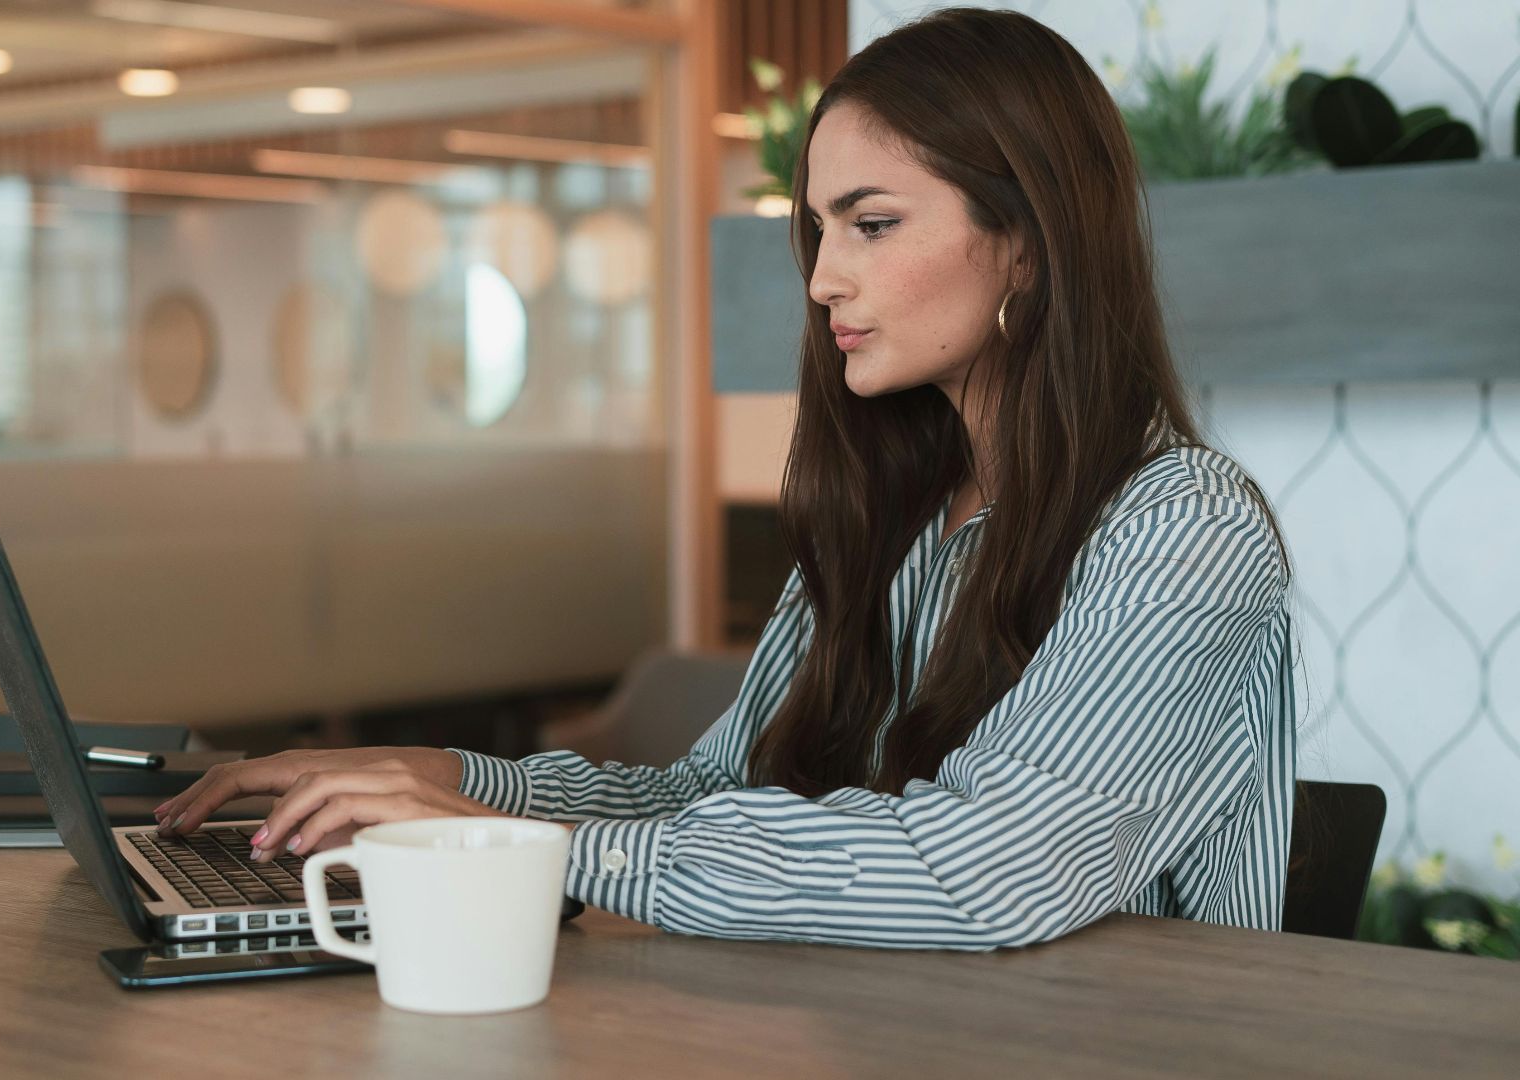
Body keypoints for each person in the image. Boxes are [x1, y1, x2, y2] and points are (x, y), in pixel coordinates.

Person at [154, 6, 1299, 951]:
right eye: (819, 231)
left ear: (1029, 244)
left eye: (874, 224)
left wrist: (521, 848)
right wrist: (446, 782)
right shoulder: (892, 515)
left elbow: (990, 869)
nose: (823, 281)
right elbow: (715, 797)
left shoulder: (1182, 526)